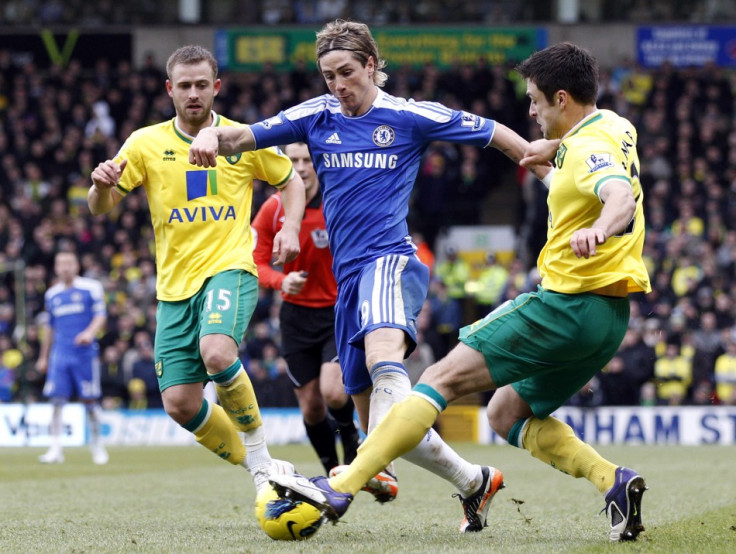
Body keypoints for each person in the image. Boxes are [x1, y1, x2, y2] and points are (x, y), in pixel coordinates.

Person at [267, 42, 651, 543]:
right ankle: (612, 481)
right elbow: (592, 165)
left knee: (437, 379)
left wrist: (599, 227)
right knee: (504, 413)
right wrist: (550, 156)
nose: (530, 112)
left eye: (535, 101)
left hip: (565, 304)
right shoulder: (617, 127)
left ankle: (346, 481)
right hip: (609, 319)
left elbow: (616, 194)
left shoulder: (586, 148)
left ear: (561, 98)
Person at [190, 20, 551, 530]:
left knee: (385, 369)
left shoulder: (408, 115)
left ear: (372, 66)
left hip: (390, 261)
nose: (338, 85)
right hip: (348, 284)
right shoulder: (316, 116)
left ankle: (345, 481)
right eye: (328, 75)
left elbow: (495, 134)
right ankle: (474, 481)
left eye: (347, 73)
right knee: (375, 422)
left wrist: (553, 178)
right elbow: (245, 135)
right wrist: (210, 134)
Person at [88, 45, 306, 491]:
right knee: (181, 405)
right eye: (184, 85)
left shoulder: (242, 137)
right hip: (173, 289)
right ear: (169, 89)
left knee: (218, 353)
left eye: (201, 85)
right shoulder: (145, 143)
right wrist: (98, 186)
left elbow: (291, 180)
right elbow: (100, 209)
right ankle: (266, 467)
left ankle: (263, 466)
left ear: (216, 88)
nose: (193, 93)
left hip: (229, 268)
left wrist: (292, 229)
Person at [251, 141, 361, 473]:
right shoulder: (273, 208)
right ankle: (330, 469)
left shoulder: (339, 202)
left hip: (337, 312)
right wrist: (280, 282)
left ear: (319, 162)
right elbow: (255, 261)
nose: (300, 167)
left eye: (306, 160)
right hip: (296, 317)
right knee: (311, 408)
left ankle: (353, 447)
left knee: (334, 391)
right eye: (292, 159)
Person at [37, 251, 109, 465]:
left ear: (76, 266)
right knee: (56, 402)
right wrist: (44, 357)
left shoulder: (91, 288)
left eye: (69, 263)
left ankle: (97, 445)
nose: (65, 267)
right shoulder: (51, 294)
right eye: (61, 264)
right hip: (60, 354)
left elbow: (101, 315)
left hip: (84, 355)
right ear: (56, 268)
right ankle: (55, 448)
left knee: (90, 400)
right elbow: (49, 328)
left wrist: (89, 333)